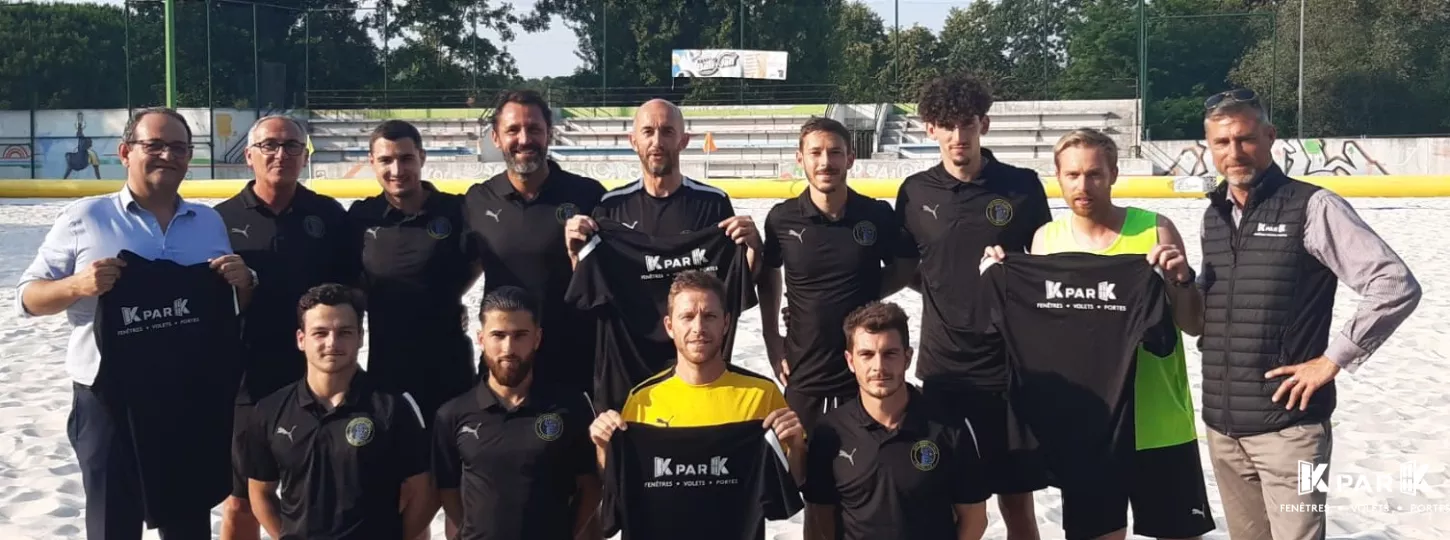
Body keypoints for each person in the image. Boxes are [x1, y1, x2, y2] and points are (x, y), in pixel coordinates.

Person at [15, 107, 257, 539]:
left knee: (187, 522)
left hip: (187, 397)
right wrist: (77, 285)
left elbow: (231, 305)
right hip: (108, 400)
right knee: (113, 524)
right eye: (155, 145)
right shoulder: (85, 218)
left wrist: (245, 282)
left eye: (179, 148)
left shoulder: (208, 222)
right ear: (126, 152)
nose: (168, 155)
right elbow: (28, 299)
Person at [1194, 89, 1421, 540]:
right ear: (1209, 148)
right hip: (1224, 430)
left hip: (1293, 433)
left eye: (1245, 138)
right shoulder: (1214, 216)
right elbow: (1207, 313)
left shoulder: (1314, 206)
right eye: (1222, 143)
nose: (1234, 152)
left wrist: (1332, 360)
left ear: (1270, 136)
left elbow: (1394, 285)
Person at [986, 128, 1214, 540]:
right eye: (1072, 175)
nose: (1083, 185)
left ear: (1113, 174)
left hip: (1158, 420)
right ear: (1058, 177)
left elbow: (1194, 325)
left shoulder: (1155, 230)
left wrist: (1180, 281)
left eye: (1094, 174)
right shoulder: (1046, 241)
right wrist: (1001, 274)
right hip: (1087, 424)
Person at [893, 72, 1052, 539]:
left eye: (967, 124)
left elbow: (1045, 266)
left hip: (1008, 367)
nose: (958, 136)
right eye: (947, 125)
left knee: (1016, 501)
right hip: (942, 369)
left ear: (984, 123)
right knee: (947, 498)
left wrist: (1012, 271)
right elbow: (909, 270)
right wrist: (947, 293)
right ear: (930, 128)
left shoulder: (1021, 187)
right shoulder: (915, 191)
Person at [214, 114, 359, 540]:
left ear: (304, 155)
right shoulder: (217, 221)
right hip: (247, 380)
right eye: (270, 146)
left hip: (316, 376)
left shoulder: (329, 215)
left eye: (293, 146)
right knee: (241, 498)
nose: (282, 154)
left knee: (319, 488)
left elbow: (353, 292)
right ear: (249, 156)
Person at [588, 271, 806, 539]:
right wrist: (602, 446)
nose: (699, 328)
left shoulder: (761, 394)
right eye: (687, 316)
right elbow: (616, 488)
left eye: (710, 316)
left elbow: (788, 486)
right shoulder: (643, 400)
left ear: (726, 323)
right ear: (669, 326)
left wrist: (796, 446)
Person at [759, 117, 918, 433]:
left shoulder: (876, 215)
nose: (825, 162)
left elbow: (905, 265)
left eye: (834, 152)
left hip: (864, 373)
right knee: (798, 471)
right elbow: (768, 271)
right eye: (815, 153)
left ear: (850, 158)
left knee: (864, 474)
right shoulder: (781, 218)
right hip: (804, 371)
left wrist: (864, 292)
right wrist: (770, 337)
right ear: (800, 158)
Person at [241, 284, 434, 540]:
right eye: (320, 333)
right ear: (301, 339)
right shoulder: (270, 410)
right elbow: (260, 492)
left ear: (361, 337)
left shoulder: (393, 407)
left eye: (344, 332)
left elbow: (424, 491)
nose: (332, 343)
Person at [802, 301, 989, 540]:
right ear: (850, 361)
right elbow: (819, 518)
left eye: (890, 354)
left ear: (907, 358)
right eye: (866, 355)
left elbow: (974, 517)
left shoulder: (949, 426)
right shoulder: (830, 432)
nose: (878, 367)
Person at [465, 90, 606, 397]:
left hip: (574, 362)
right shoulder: (477, 200)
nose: (524, 139)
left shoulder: (587, 194)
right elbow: (465, 268)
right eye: (513, 130)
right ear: (496, 138)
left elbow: (606, 281)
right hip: (505, 365)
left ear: (549, 134)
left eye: (534, 129)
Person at [432, 286, 603, 540]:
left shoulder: (571, 406)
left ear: (537, 338)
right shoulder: (452, 414)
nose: (508, 348)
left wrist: (567, 533)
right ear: (481, 339)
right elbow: (447, 490)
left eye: (520, 335)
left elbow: (590, 485)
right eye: (498, 335)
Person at [347, 119, 480, 426]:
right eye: (385, 160)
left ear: (421, 157)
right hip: (387, 366)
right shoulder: (360, 217)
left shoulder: (455, 210)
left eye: (406, 158)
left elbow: (477, 261)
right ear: (371, 163)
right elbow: (351, 281)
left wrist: (448, 293)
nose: (397, 170)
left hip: (449, 367)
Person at [564, 98, 761, 273]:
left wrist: (755, 248)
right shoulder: (611, 206)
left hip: (692, 314)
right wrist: (575, 255)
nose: (657, 142)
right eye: (648, 132)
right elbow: (593, 282)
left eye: (667, 131)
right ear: (633, 141)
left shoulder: (714, 202)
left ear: (683, 141)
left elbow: (738, 281)